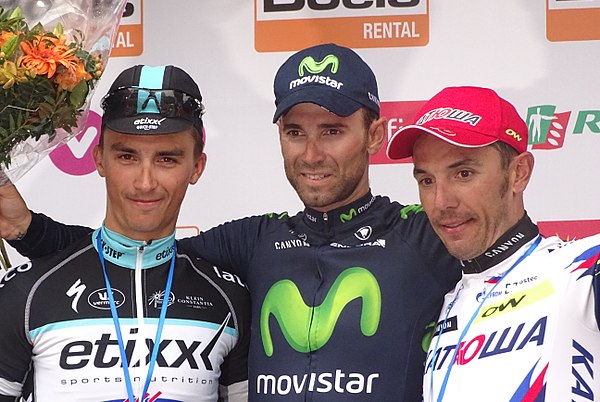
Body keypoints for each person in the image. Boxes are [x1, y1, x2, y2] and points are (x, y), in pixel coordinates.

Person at [0, 44, 461, 401]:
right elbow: (136, 250)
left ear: (374, 135)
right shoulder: (258, 240)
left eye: (332, 131)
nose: (312, 153)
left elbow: (511, 256)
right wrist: (30, 230)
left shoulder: (427, 233)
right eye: (295, 132)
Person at [0, 65, 250, 402]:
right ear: (99, 159)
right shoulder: (25, 293)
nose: (144, 182)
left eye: (167, 159)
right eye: (127, 156)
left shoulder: (229, 299)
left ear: (197, 167)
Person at [386, 85, 600, 401]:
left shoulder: (579, 270)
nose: (441, 201)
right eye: (427, 180)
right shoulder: (447, 303)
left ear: (519, 174)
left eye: (463, 173)